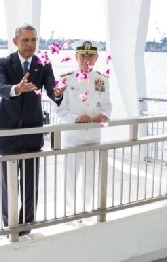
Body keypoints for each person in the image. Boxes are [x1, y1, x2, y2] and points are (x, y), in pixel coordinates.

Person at [0, 24, 65, 236]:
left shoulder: (43, 65)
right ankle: (9, 225)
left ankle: (27, 224)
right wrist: (17, 89)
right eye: (25, 40)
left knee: (31, 184)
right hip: (7, 134)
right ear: (15, 41)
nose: (30, 45)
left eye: (33, 40)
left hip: (32, 132)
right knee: (8, 183)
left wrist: (57, 92)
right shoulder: (4, 63)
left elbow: (51, 88)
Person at [54, 40, 112, 216]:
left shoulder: (102, 79)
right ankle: (68, 212)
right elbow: (59, 109)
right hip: (72, 137)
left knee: (89, 176)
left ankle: (86, 209)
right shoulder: (65, 78)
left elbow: (107, 105)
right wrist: (76, 118)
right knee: (69, 177)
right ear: (76, 57)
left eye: (90, 55)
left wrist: (104, 116)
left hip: (93, 136)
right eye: (83, 55)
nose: (87, 59)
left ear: (96, 57)